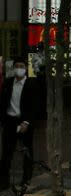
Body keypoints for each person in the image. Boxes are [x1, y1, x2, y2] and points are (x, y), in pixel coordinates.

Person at [0, 57, 39, 189]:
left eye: (22, 66)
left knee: (27, 152)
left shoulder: (31, 84)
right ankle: (4, 181)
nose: (19, 68)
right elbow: (3, 103)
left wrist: (27, 122)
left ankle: (26, 180)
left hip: (24, 122)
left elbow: (35, 106)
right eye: (17, 66)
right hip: (10, 122)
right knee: (6, 153)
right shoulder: (8, 83)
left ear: (26, 69)